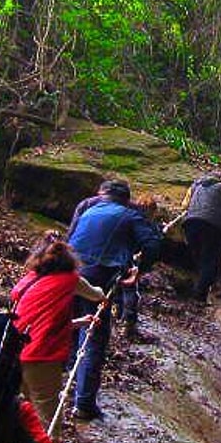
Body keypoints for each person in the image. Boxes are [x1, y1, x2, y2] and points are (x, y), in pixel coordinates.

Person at [67, 179, 161, 420]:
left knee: (69, 326)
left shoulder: (88, 206)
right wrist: (139, 270)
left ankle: (65, 382)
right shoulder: (129, 215)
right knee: (94, 335)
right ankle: (84, 403)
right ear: (125, 199)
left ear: (103, 193)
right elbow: (152, 244)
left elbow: (71, 236)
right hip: (97, 273)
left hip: (67, 269)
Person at [10, 233, 107, 433]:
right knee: (48, 414)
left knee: (21, 405)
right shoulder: (70, 279)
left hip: (13, 350)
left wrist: (79, 322)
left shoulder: (30, 280)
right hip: (41, 355)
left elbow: (42, 321)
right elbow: (96, 294)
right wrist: (104, 295)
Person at [181, 173, 221, 301]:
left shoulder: (194, 186)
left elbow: (184, 206)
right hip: (213, 227)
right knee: (209, 259)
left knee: (199, 257)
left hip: (191, 224)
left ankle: (199, 285)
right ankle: (200, 295)